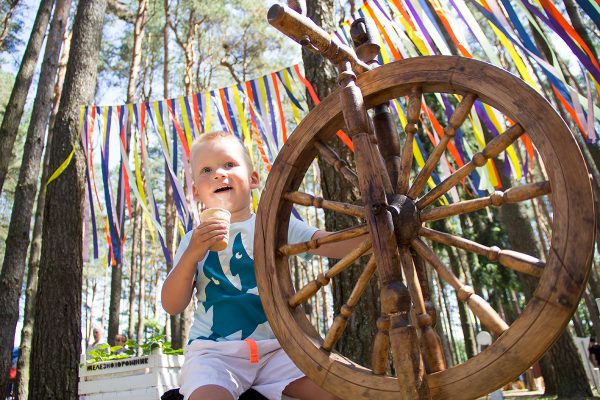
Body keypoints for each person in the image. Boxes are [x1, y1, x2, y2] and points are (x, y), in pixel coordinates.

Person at [162, 131, 361, 400]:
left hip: (278, 349)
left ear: (254, 179)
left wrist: (374, 238)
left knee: (337, 391)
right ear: (196, 192)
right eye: (207, 170)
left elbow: (325, 243)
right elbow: (172, 305)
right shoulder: (192, 240)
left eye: (229, 164)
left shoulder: (273, 225)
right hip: (215, 354)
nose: (219, 174)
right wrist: (191, 255)